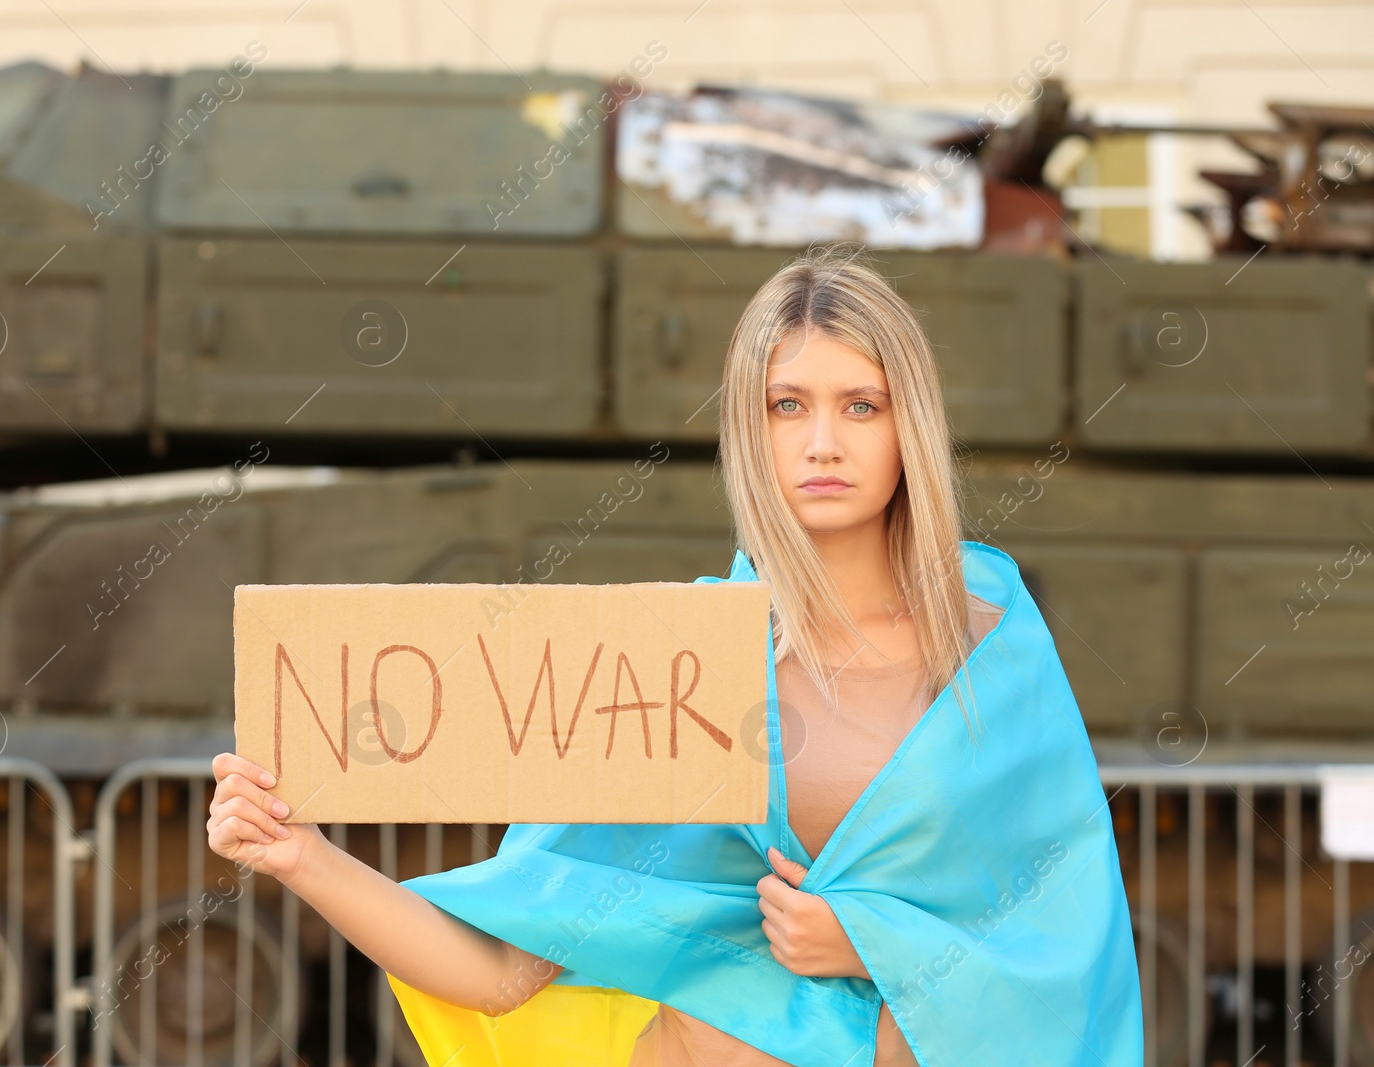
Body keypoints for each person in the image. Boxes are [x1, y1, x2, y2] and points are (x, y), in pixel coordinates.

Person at [208, 243, 1143, 1066]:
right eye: (788, 405)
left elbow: (1068, 956)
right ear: (749, 426)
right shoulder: (681, 663)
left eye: (862, 404)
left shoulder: (992, 651)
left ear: (911, 428)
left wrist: (876, 943)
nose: (823, 442)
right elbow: (502, 969)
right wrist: (304, 856)